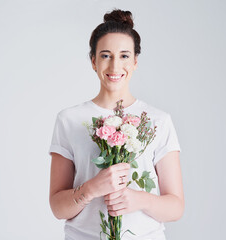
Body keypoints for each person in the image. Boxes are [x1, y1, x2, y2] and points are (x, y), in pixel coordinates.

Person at [48, 9, 184, 240]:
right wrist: (92, 189)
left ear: (135, 61)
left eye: (124, 56)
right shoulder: (69, 119)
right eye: (105, 55)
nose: (114, 66)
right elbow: (58, 207)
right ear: (93, 61)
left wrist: (139, 199)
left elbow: (176, 206)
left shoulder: (158, 120)